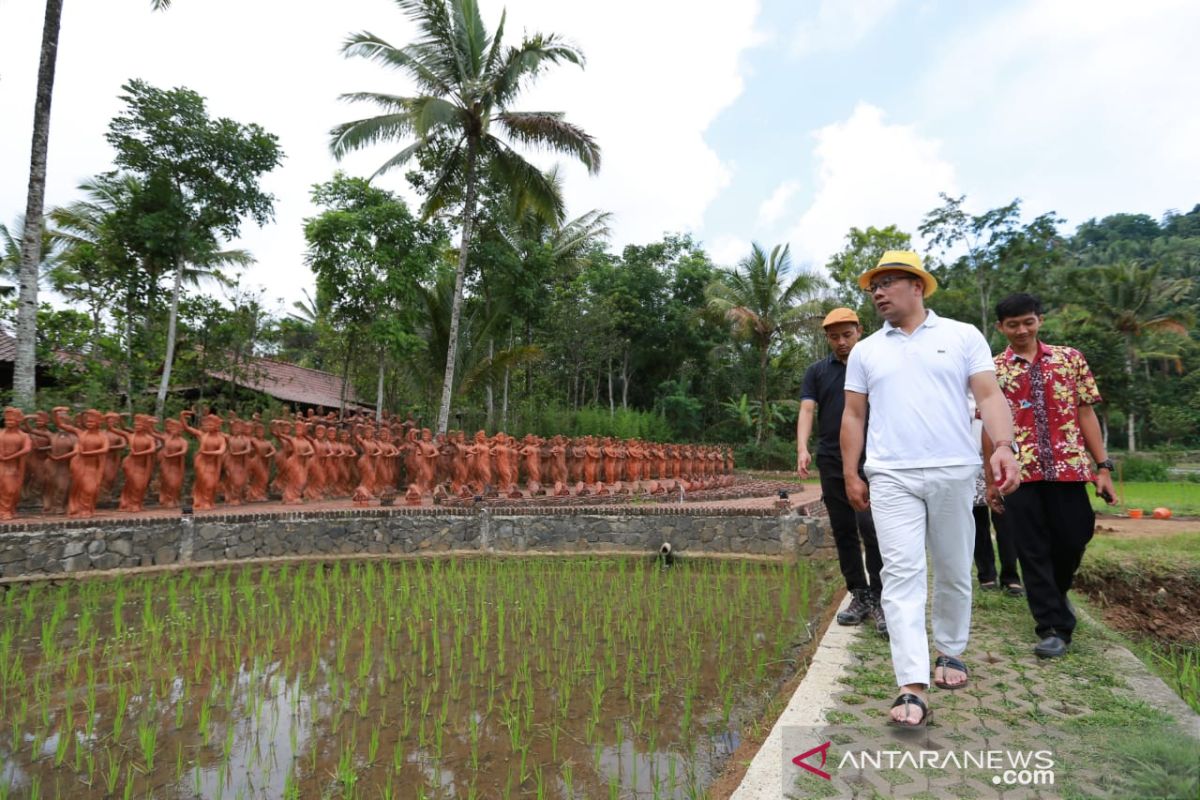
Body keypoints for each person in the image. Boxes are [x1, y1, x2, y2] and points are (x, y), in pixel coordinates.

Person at [840, 250, 1020, 728]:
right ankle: (911, 684)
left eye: (888, 283)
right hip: (891, 474)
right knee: (901, 575)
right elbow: (854, 415)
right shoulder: (866, 350)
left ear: (917, 286)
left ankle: (951, 651)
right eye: (873, 286)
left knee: (954, 567)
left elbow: (988, 395)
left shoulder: (962, 336)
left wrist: (1003, 445)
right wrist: (850, 472)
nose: (877, 292)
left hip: (953, 470)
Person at [988, 293, 1116, 658]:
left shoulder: (1069, 358)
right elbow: (987, 429)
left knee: (1075, 537)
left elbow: (1085, 414)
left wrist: (1103, 466)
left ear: (1039, 320)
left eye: (1028, 322)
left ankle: (1056, 597)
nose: (1021, 330)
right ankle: (1053, 627)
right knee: (1031, 550)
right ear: (1001, 328)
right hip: (1020, 472)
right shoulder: (993, 369)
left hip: (1070, 469)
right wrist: (990, 477)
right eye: (1012, 325)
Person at [798, 307, 887, 636]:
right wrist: (802, 447)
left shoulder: (874, 365)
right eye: (834, 337)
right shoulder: (818, 371)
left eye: (847, 334)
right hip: (832, 460)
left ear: (859, 331)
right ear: (827, 338)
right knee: (844, 529)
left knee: (872, 528)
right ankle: (859, 594)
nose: (841, 342)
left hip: (872, 459)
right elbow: (808, 407)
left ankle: (880, 596)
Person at [969, 395, 1023, 595]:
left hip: (998, 457)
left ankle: (1011, 576)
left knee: (1005, 518)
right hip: (970, 459)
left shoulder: (995, 388)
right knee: (977, 520)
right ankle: (986, 575)